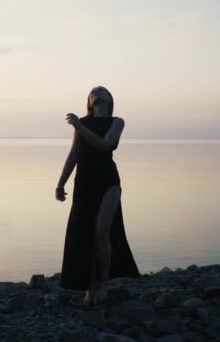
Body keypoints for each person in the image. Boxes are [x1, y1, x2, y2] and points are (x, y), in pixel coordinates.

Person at [56, 86, 140, 305]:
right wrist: (60, 183)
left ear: (111, 99)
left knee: (101, 231)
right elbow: (74, 153)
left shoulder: (117, 122)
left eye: (103, 90)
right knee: (85, 235)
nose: (98, 91)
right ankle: (89, 287)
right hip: (83, 183)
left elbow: (105, 145)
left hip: (108, 181)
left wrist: (79, 127)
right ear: (89, 100)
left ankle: (103, 283)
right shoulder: (81, 122)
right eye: (94, 91)